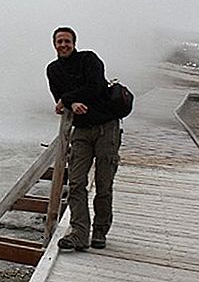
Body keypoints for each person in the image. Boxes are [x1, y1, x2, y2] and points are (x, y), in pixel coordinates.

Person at [46, 26, 121, 251]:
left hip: (106, 127)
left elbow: (96, 87)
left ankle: (99, 231)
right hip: (81, 132)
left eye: (67, 41)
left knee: (104, 183)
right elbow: (58, 98)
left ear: (74, 42)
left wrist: (68, 100)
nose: (63, 45)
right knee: (77, 183)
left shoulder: (89, 59)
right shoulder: (53, 70)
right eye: (59, 42)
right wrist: (70, 103)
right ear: (54, 44)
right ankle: (79, 233)